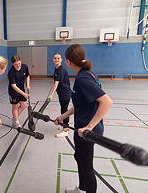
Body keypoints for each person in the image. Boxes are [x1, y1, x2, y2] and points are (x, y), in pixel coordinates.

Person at [54, 44, 113, 193]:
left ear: (68, 61)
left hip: (86, 131)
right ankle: (81, 189)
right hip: (83, 128)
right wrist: (63, 116)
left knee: (87, 167)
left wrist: (89, 127)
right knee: (79, 158)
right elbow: (81, 104)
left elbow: (106, 102)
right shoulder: (88, 74)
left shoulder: (83, 78)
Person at [48, 53, 72, 138]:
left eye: (58, 58)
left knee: (64, 111)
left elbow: (56, 83)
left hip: (65, 93)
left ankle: (65, 130)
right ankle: (65, 125)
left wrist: (51, 95)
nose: (56, 60)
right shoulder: (57, 69)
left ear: (61, 60)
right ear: (53, 59)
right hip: (62, 93)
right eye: (55, 58)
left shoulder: (61, 70)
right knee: (64, 109)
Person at [8, 55, 30, 128]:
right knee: (15, 107)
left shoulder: (25, 67)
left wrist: (28, 85)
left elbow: (27, 76)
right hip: (13, 92)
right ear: (12, 64)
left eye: (19, 63)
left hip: (21, 89)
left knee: (24, 105)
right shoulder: (11, 72)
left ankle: (14, 118)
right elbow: (14, 86)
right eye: (15, 64)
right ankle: (16, 122)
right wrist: (24, 94)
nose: (18, 65)